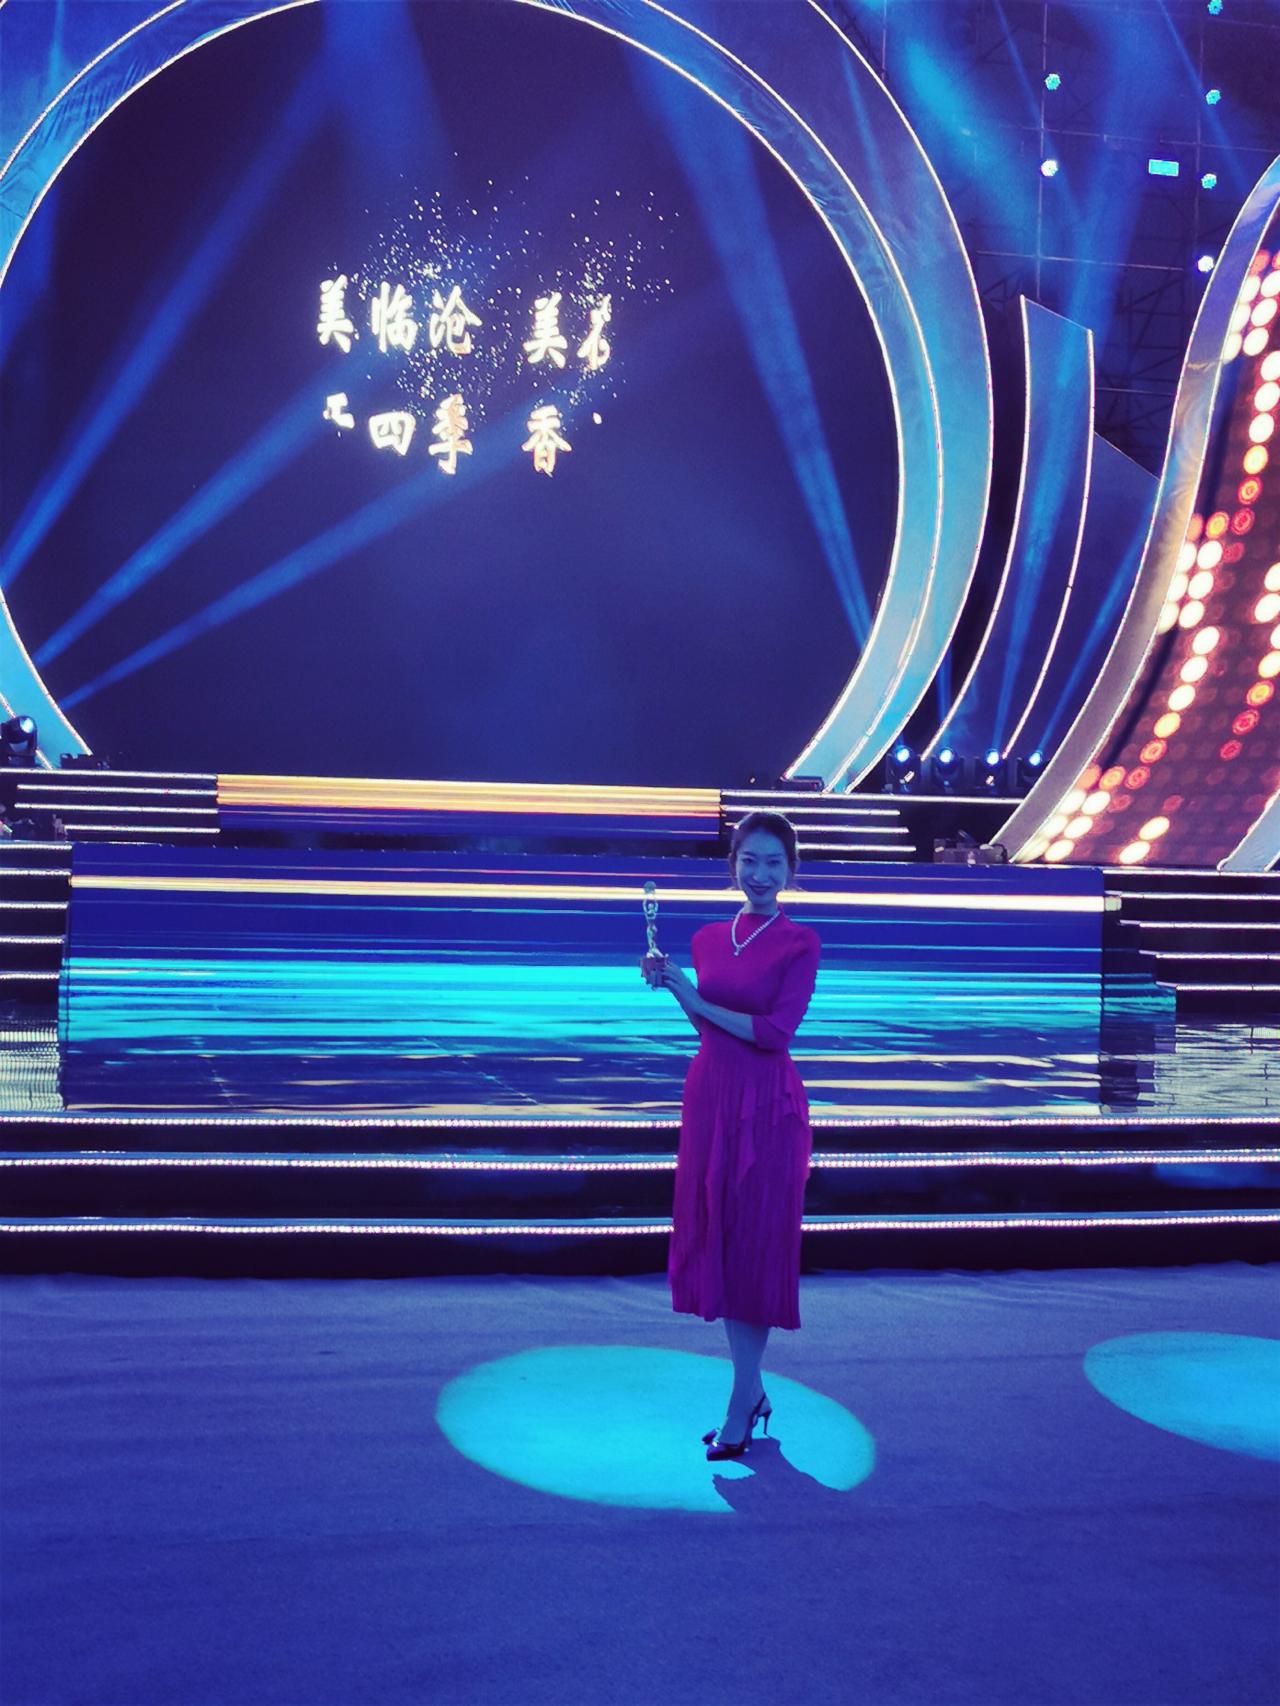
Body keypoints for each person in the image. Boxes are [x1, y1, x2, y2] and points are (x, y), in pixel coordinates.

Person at [640, 810, 820, 1461]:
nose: (761, 874)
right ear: (733, 865)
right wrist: (676, 988)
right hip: (712, 1098)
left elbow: (774, 1034)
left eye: (774, 863)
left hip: (767, 1107)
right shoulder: (708, 938)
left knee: (754, 1250)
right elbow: (709, 1027)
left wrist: (695, 997)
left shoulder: (800, 942)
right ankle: (752, 1389)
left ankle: (741, 1403)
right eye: (750, 861)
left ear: (791, 870)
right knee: (720, 1242)